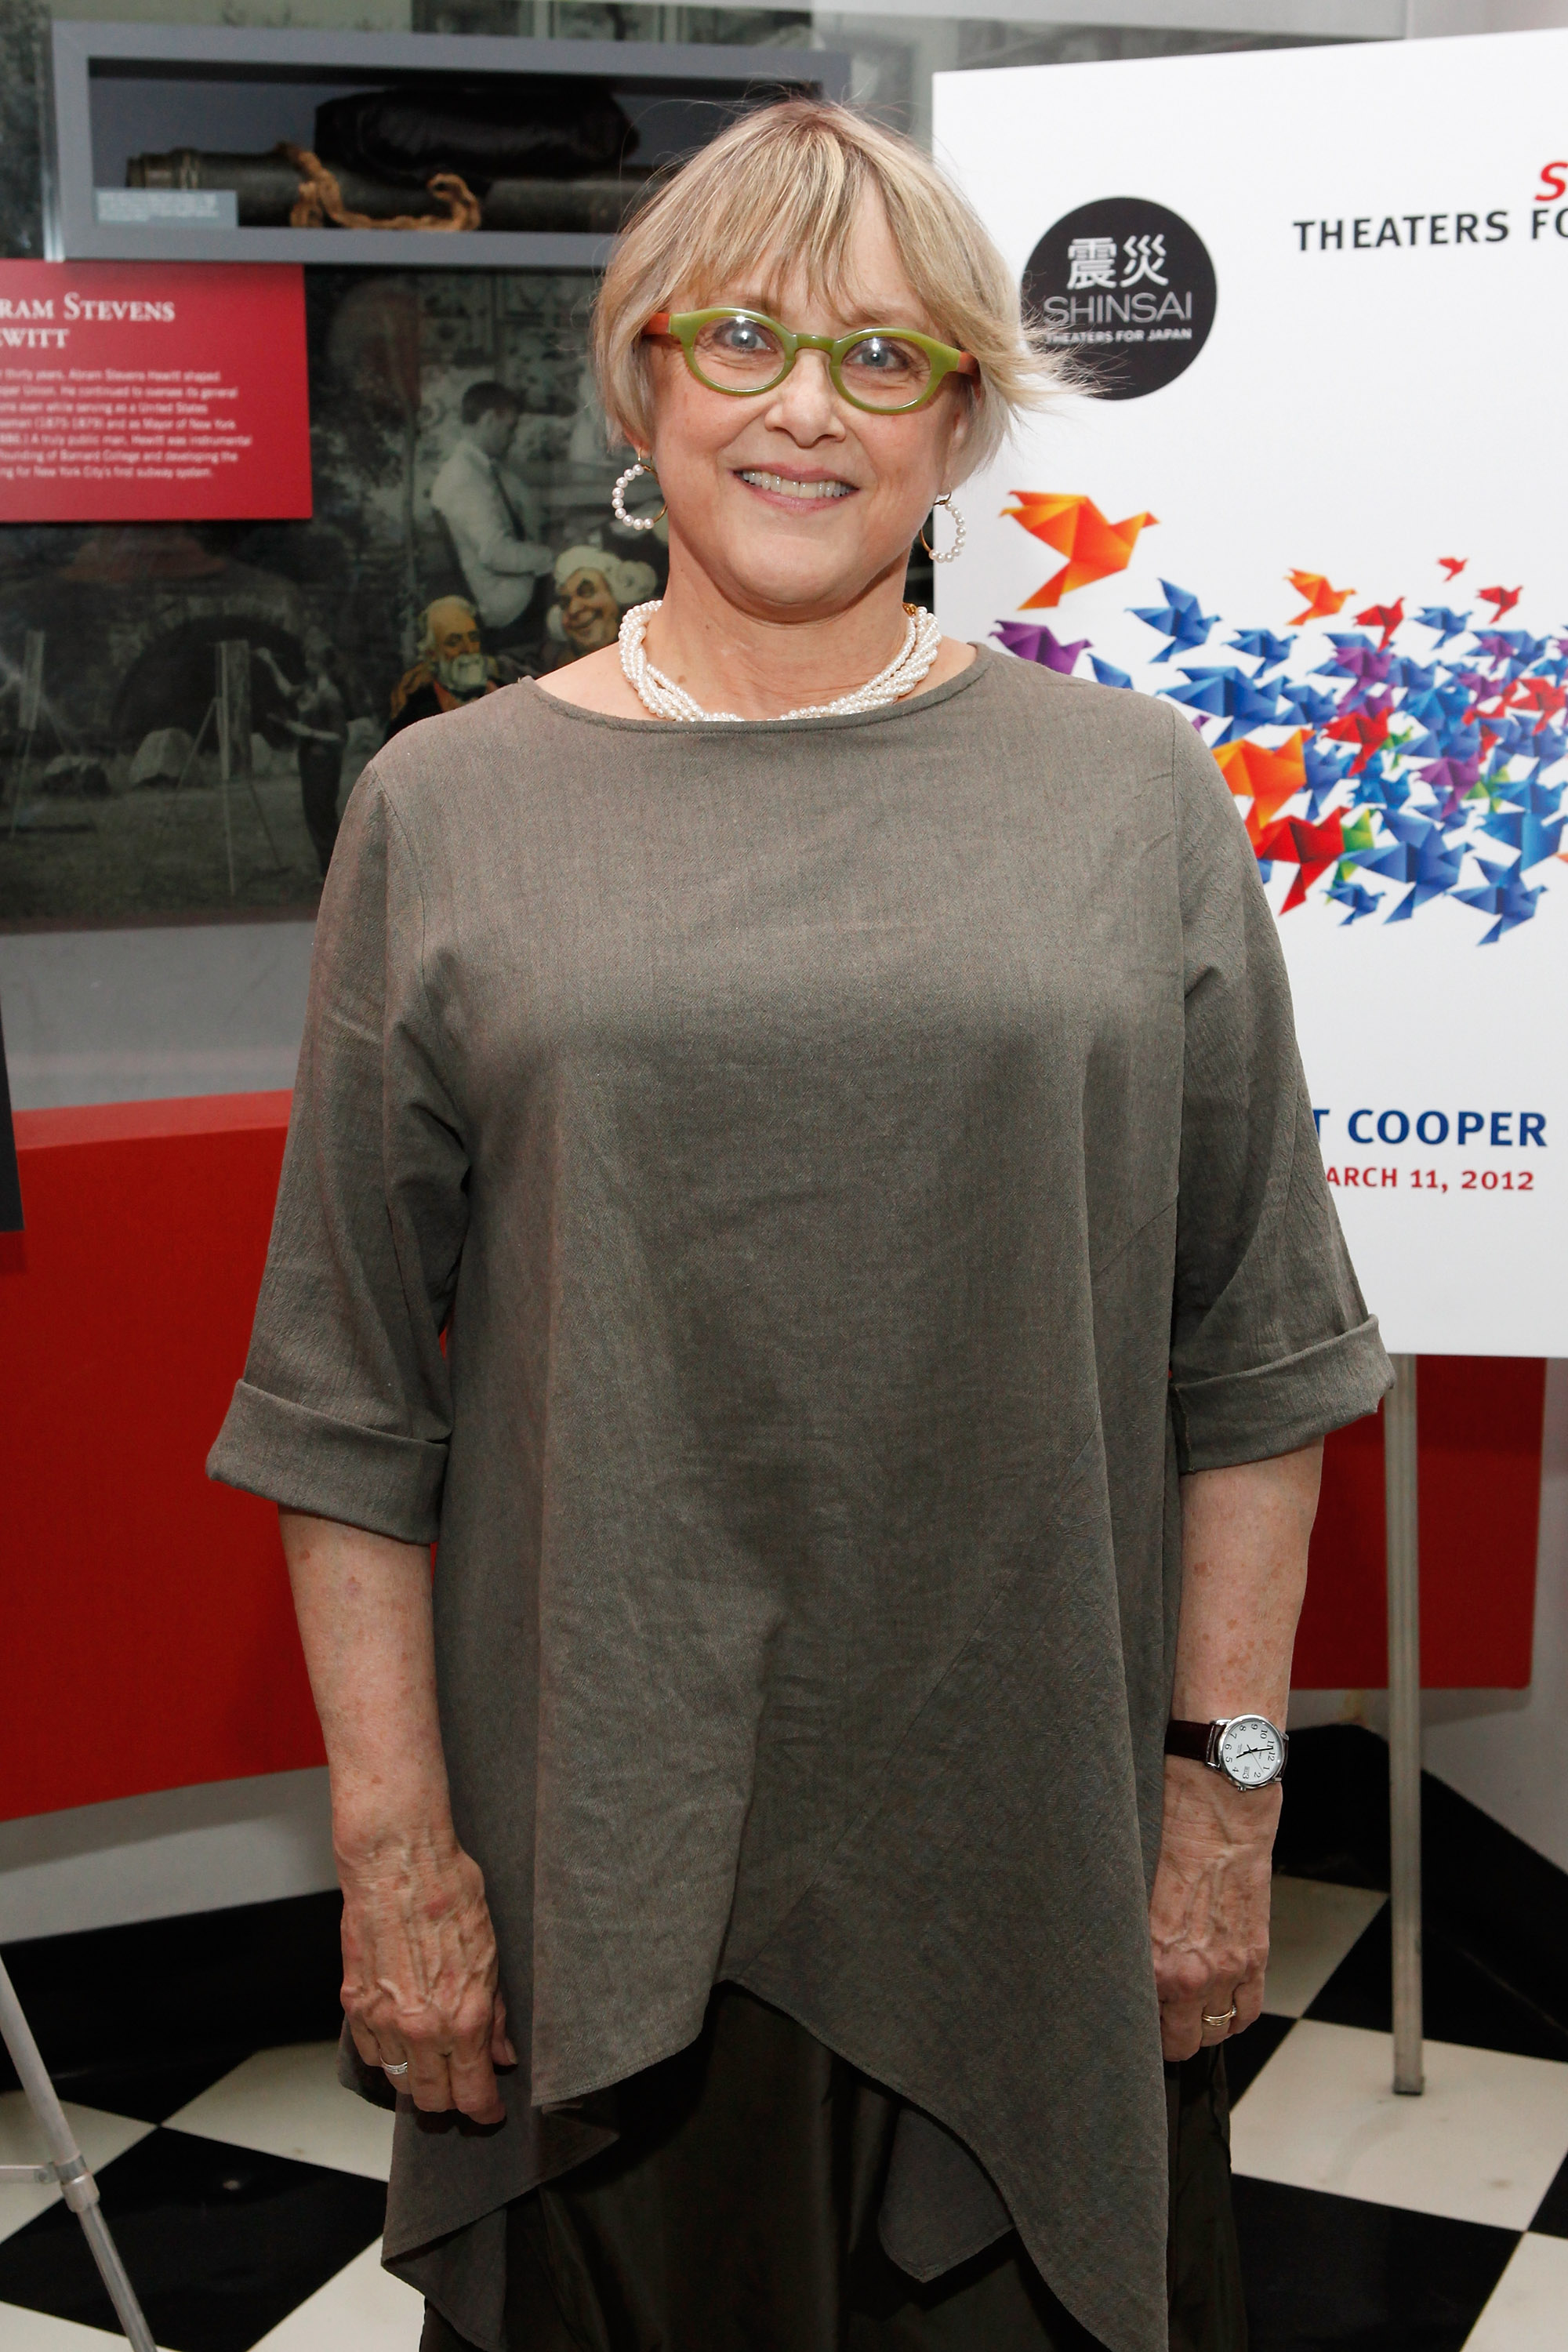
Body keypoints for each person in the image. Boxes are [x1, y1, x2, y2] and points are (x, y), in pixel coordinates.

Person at [209, 99, 1392, 2352]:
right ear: (641, 380)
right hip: (599, 1861)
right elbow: (343, 1397)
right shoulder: (446, 807)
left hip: (1035, 1855)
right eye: (741, 336)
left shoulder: (1128, 794)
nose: (804, 409)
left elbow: (1255, 1353)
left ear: (957, 420)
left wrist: (1225, 1802)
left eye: (882, 355)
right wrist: (396, 1856)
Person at [429, 382, 554, 637]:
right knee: (590, 580)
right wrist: (552, 557)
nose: (513, 438)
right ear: (488, 420)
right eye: (509, 428)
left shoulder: (478, 465)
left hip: (508, 587)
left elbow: (523, 501)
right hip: (506, 601)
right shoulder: (464, 477)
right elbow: (495, 553)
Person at [252, 633, 348, 878]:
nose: (306, 664)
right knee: (313, 814)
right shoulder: (310, 688)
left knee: (323, 814)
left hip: (324, 761)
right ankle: (327, 870)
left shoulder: (330, 696)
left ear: (320, 664)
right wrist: (270, 664)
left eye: (309, 660)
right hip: (310, 759)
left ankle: (337, 872)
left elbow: (339, 737)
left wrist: (308, 732)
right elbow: (287, 691)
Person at [386, 597, 500, 737]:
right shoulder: (412, 715)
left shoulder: (501, 691)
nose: (469, 649)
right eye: (453, 642)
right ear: (432, 653)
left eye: (473, 638)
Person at [541, 544, 659, 664]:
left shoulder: (655, 643)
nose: (573, 609)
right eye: (565, 602)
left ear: (616, 592)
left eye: (587, 592)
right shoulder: (560, 663)